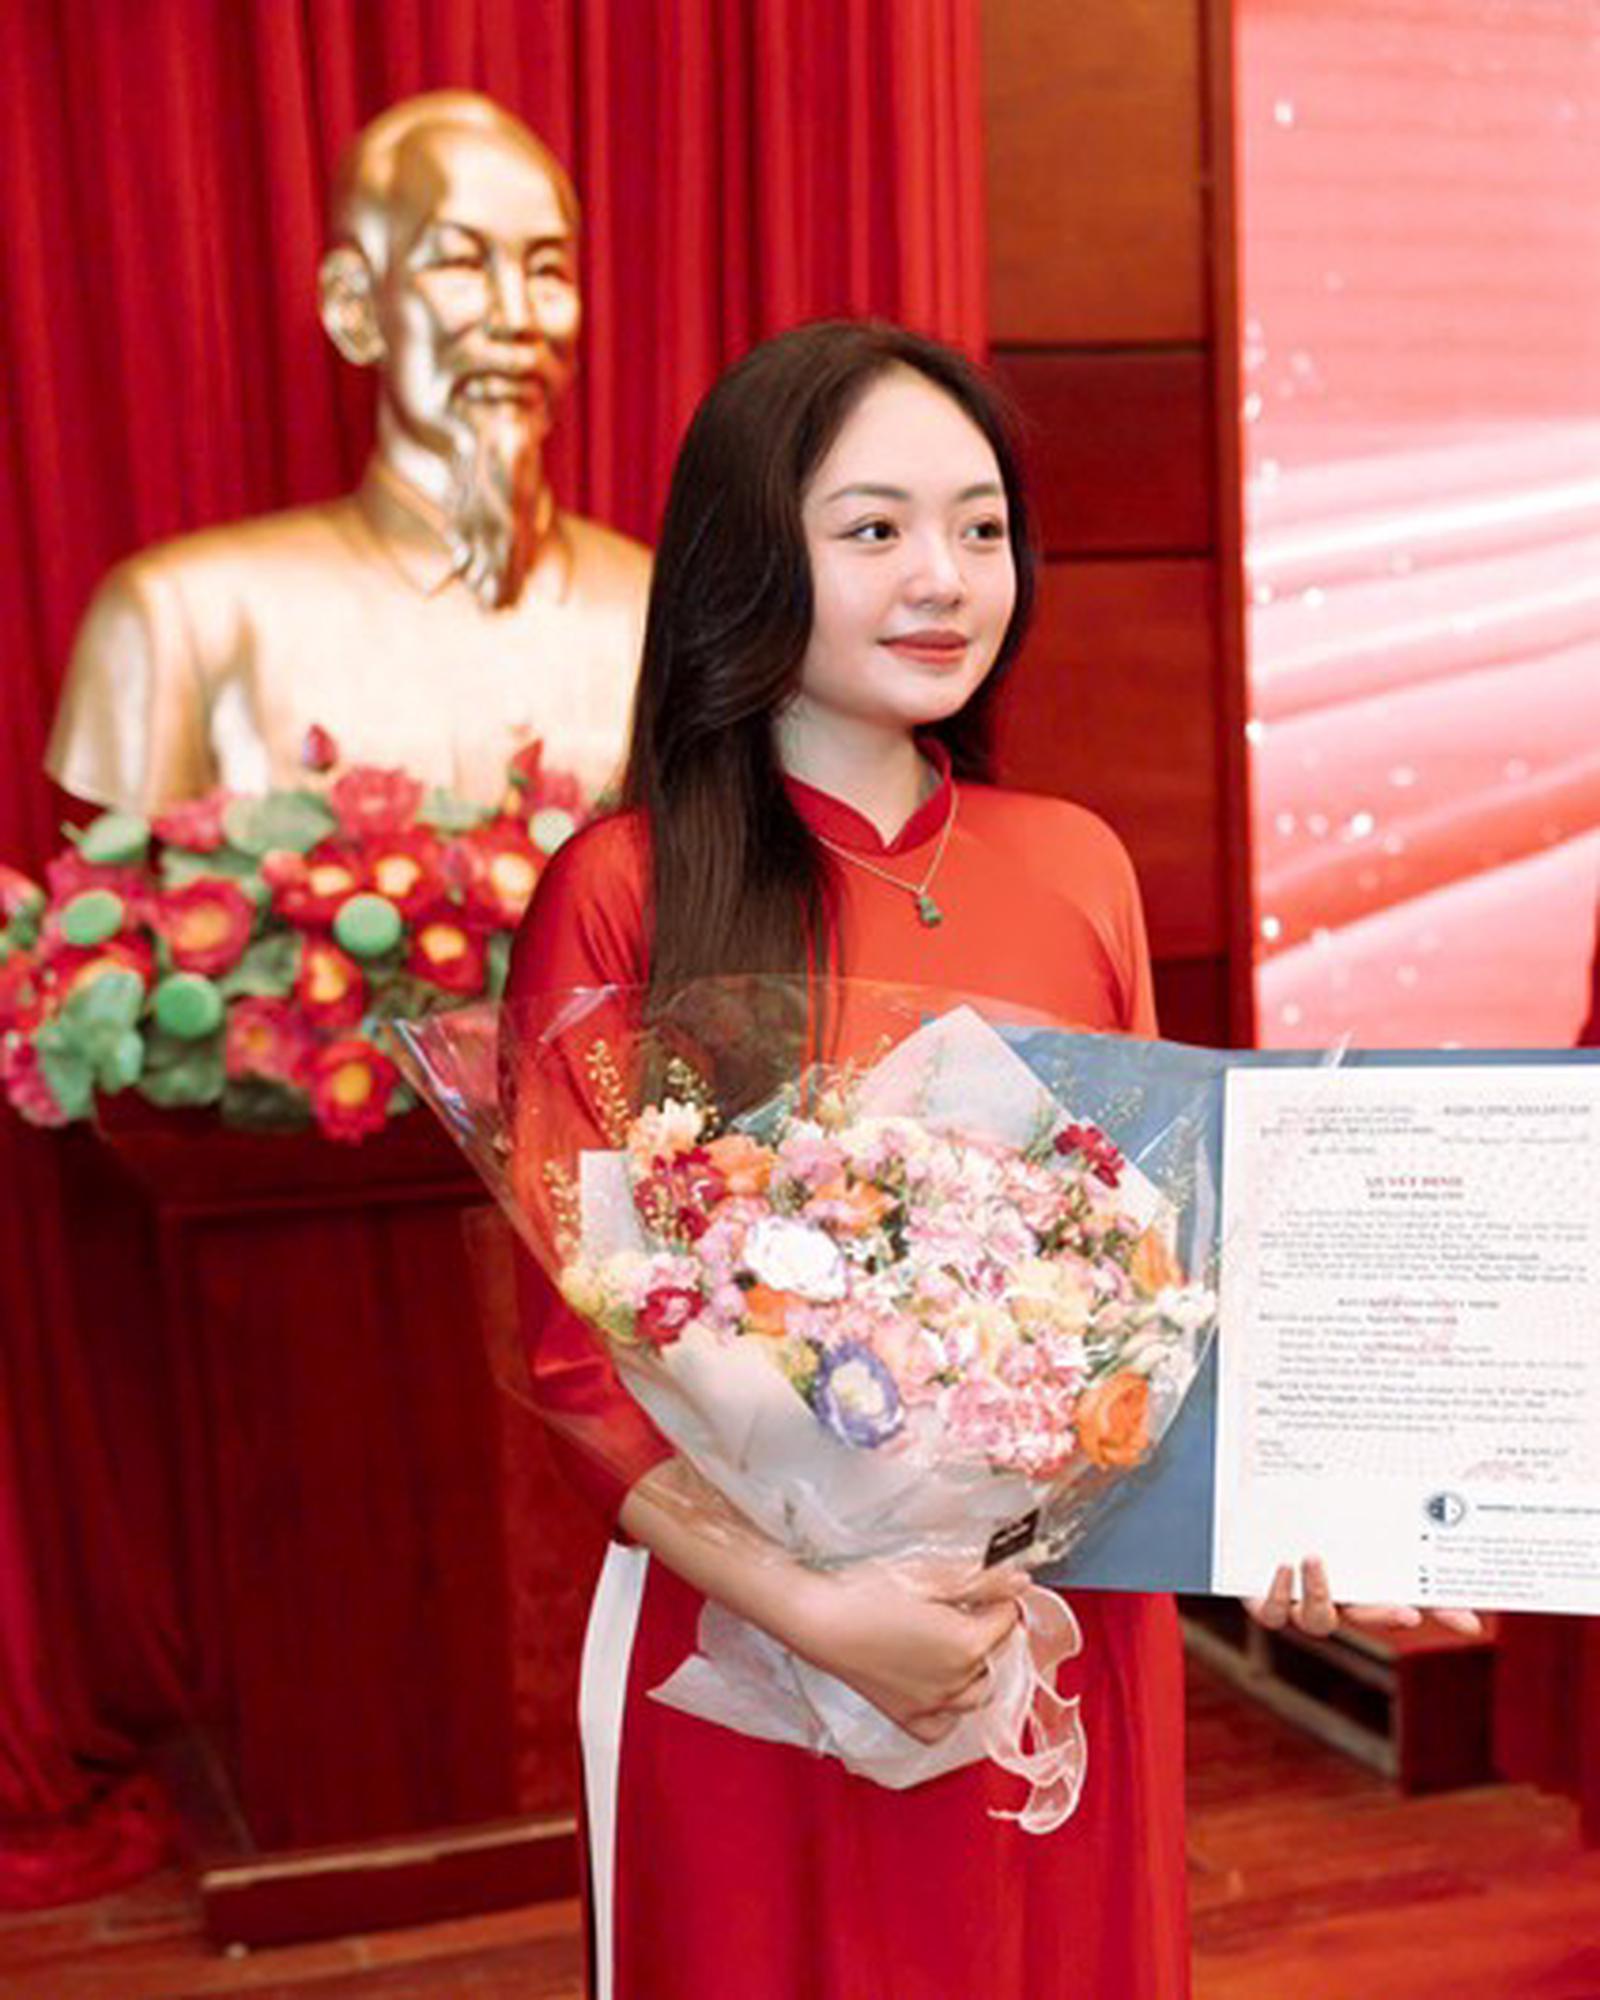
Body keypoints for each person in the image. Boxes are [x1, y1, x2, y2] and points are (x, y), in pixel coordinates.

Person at [511, 320, 1401, 1999]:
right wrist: (819, 1612)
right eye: (876, 529)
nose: (944, 578)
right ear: (746, 557)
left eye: (981, 528)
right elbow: (581, 1368)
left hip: (1058, 1640)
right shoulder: (626, 892)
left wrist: (1308, 1505)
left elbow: (1164, 1277)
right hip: (748, 1646)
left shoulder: (1076, 863)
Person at [46, 91, 649, 814]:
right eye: (461, 264)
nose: (517, 319)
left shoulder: (662, 615)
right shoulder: (182, 621)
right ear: (355, 307)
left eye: (548, 272)